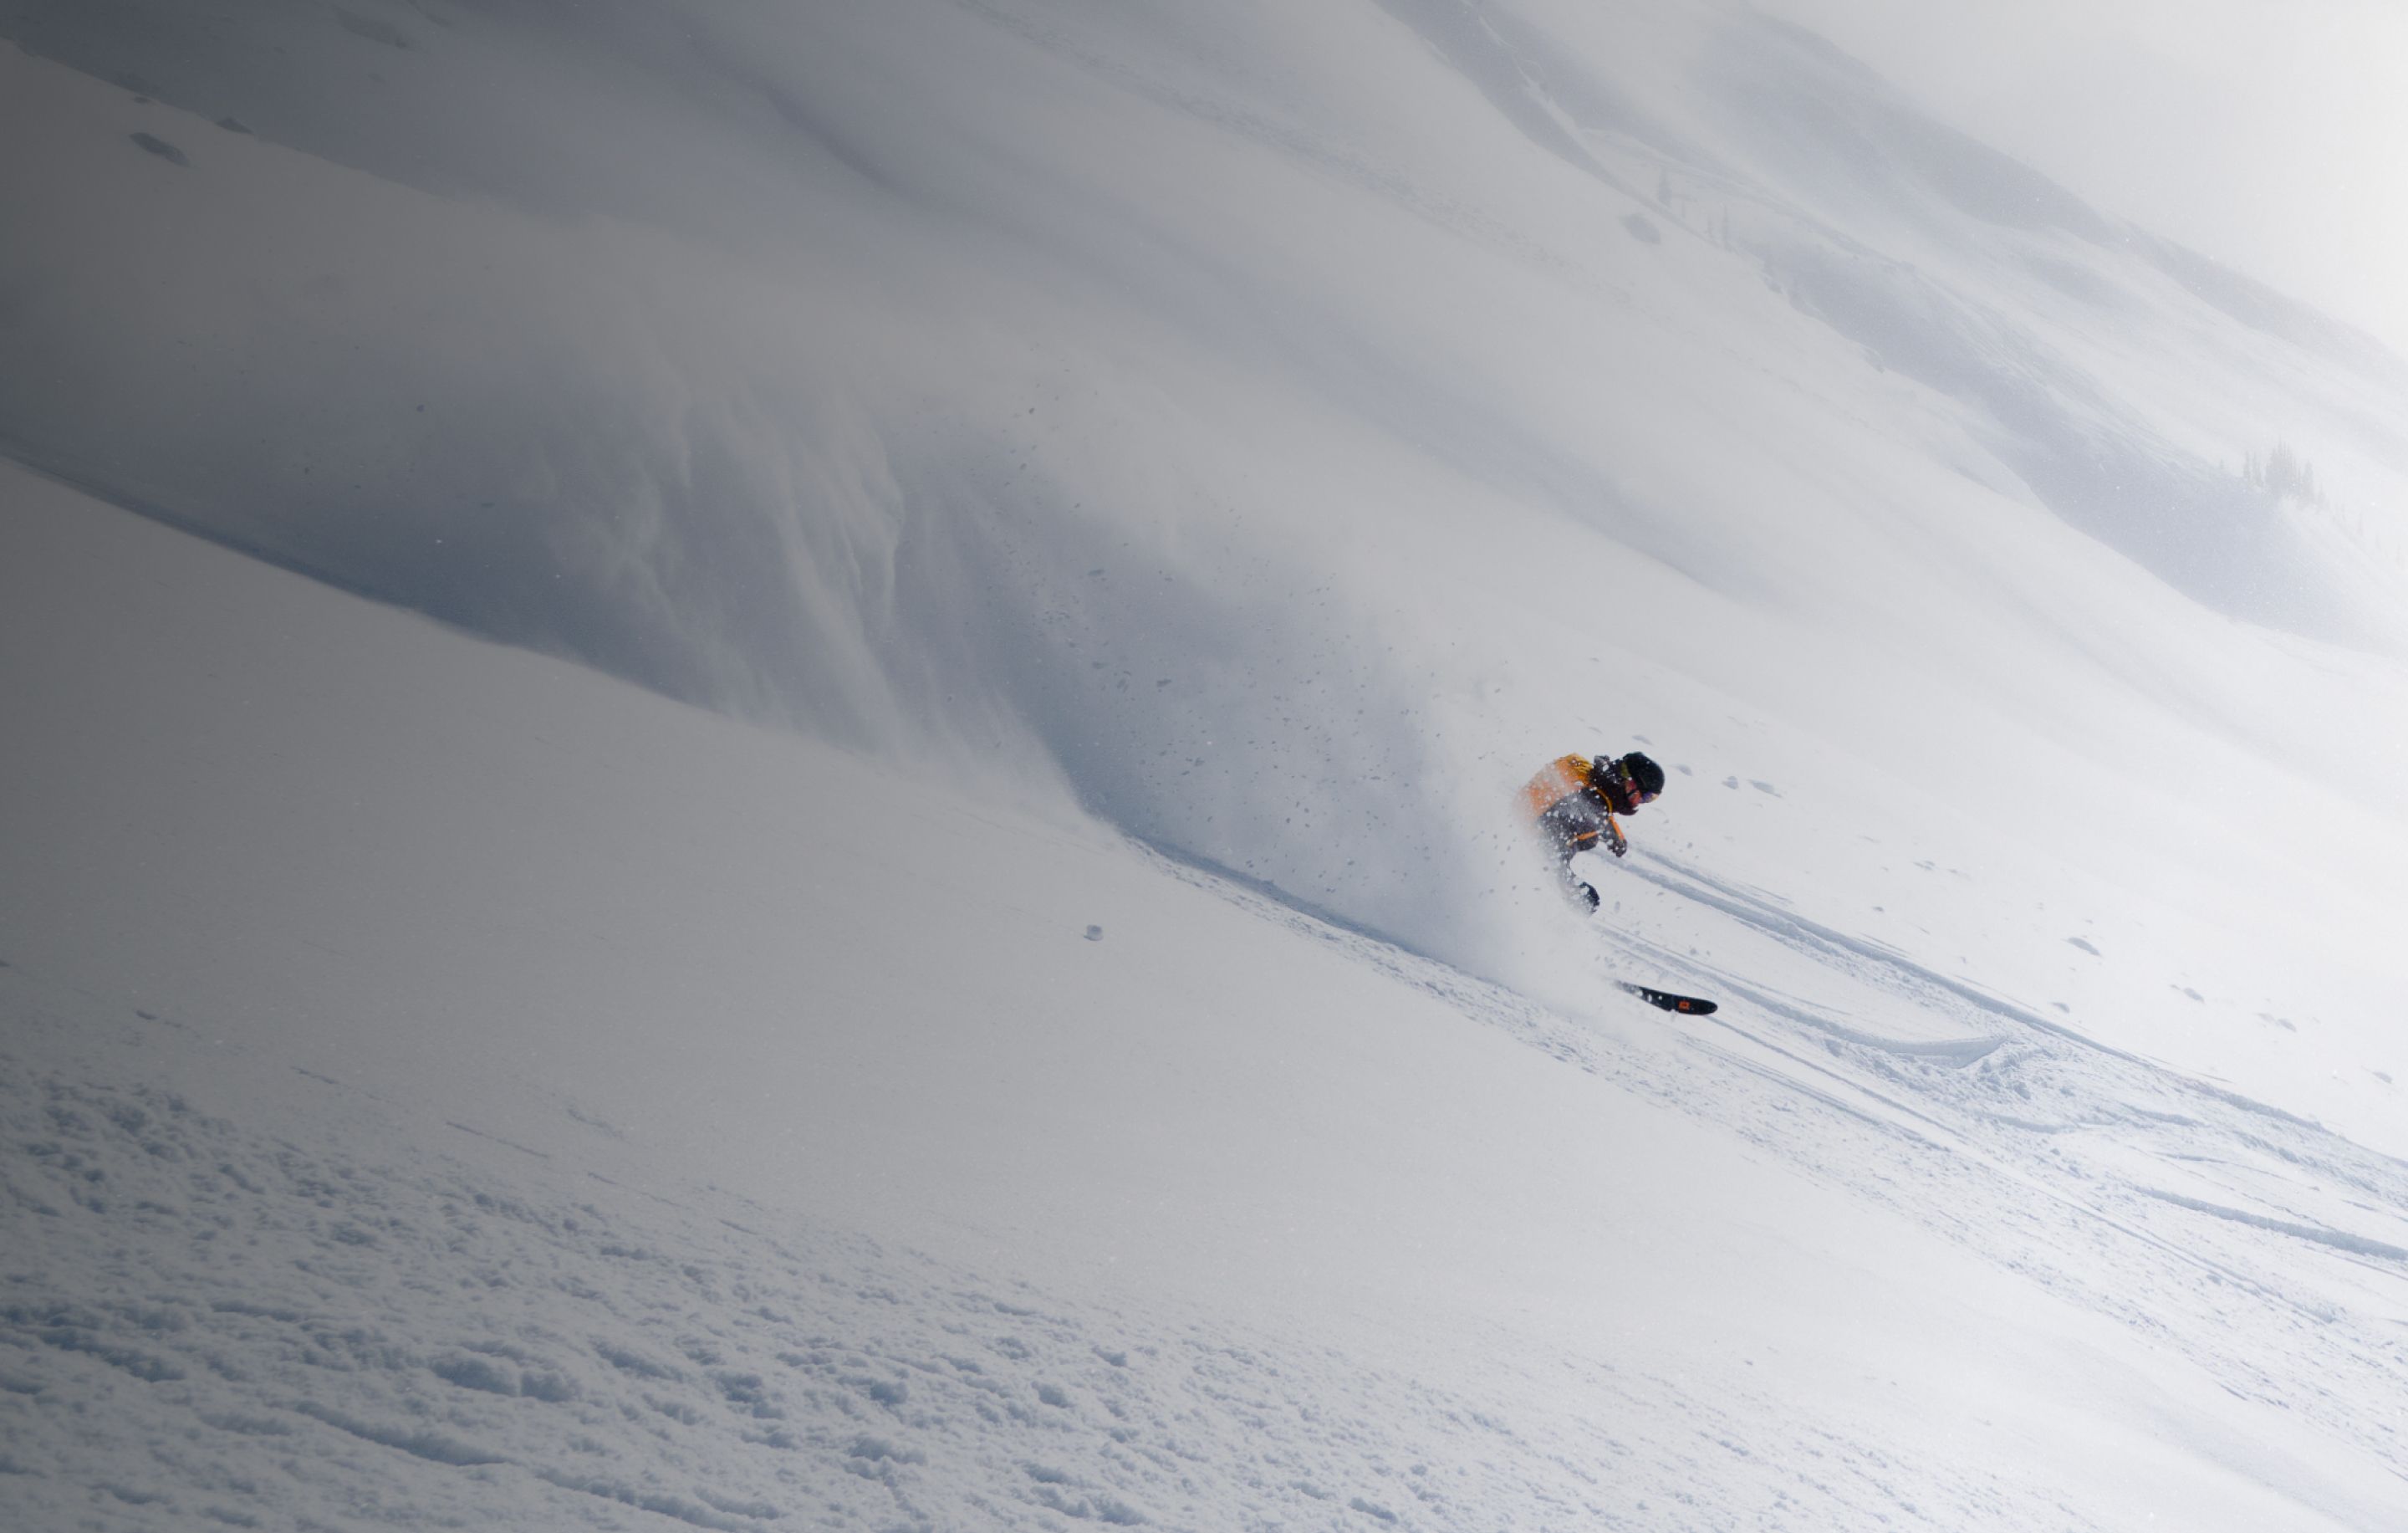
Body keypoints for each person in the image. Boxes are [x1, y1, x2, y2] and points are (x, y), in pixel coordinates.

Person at [1519, 750, 1666, 911]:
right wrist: (1566, 886)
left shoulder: (1584, 769)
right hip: (1522, 858)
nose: (1641, 803)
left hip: (1518, 820)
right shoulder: (1593, 813)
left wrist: (1611, 830)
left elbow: (1592, 799)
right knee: (1588, 899)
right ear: (1629, 783)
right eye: (1646, 797)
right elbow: (1545, 851)